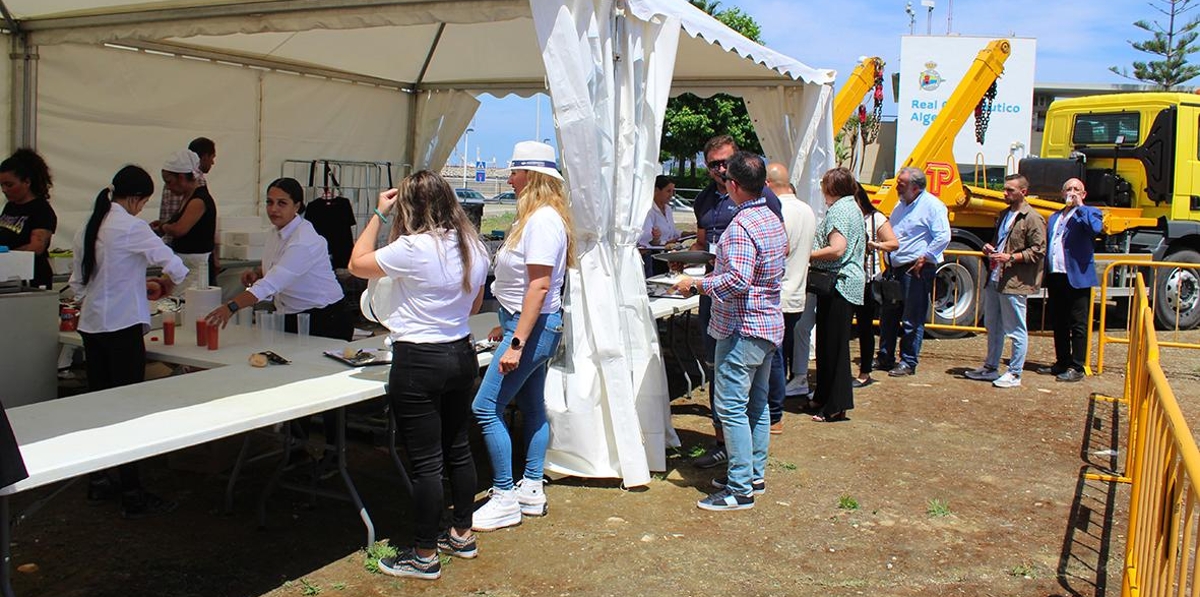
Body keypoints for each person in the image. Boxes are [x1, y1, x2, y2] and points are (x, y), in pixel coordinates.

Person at [346, 170, 489, 580]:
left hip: (419, 359)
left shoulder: (412, 248)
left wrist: (376, 213)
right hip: (460, 352)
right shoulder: (473, 245)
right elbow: (475, 303)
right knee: (457, 448)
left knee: (426, 463)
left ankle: (424, 554)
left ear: (409, 206)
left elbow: (357, 264)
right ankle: (462, 532)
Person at [69, 165, 188, 518]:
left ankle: (100, 479)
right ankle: (132, 491)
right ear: (137, 199)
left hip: (92, 326)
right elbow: (176, 266)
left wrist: (134, 285)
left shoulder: (88, 226)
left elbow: (78, 285)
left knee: (100, 407)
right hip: (122, 329)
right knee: (128, 410)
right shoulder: (130, 226)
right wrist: (164, 284)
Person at [671, 151, 787, 511]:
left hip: (742, 326)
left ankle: (740, 488)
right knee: (756, 405)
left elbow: (736, 280)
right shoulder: (770, 217)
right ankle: (752, 474)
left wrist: (696, 285)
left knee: (733, 408)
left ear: (733, 185)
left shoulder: (741, 226)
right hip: (766, 323)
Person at [471, 141, 574, 531]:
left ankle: (503, 496)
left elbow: (540, 287)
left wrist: (516, 341)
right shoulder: (537, 217)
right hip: (526, 324)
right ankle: (530, 487)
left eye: (514, 171)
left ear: (531, 176)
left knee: (485, 408)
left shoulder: (543, 221)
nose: (508, 178)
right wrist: (507, 322)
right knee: (532, 407)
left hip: (531, 328)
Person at [690, 135, 782, 469]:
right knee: (728, 381)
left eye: (725, 163)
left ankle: (741, 478)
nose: (719, 169)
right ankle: (740, 461)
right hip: (729, 304)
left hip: (742, 310)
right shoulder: (705, 201)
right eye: (713, 163)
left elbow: (745, 274)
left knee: (738, 400)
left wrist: (700, 282)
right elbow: (704, 242)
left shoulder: (752, 211)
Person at [203, 177, 351, 341]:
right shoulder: (275, 232)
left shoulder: (303, 241)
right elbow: (279, 266)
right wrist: (258, 272)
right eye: (269, 202)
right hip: (290, 314)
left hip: (325, 319)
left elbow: (270, 284)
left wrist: (231, 307)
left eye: (282, 203)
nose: (273, 209)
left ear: (297, 205)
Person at [964, 174, 1046, 388]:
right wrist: (989, 248)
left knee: (1015, 328)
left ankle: (1015, 372)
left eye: (1010, 190)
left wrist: (1011, 257)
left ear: (1023, 192)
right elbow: (1000, 242)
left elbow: (1039, 250)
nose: (1005, 194)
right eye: (1005, 189)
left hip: (1014, 281)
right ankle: (990, 367)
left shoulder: (1032, 218)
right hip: (996, 277)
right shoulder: (1003, 215)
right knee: (993, 325)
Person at [875, 167, 950, 377]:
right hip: (895, 269)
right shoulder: (901, 205)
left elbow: (943, 236)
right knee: (889, 314)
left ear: (915, 188)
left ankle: (908, 361)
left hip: (915, 270)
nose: (897, 186)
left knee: (912, 318)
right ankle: (885, 356)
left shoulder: (932, 206)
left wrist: (925, 257)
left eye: (902, 183)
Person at [808, 168, 866, 422]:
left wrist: (807, 255)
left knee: (834, 347)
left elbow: (837, 249)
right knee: (829, 344)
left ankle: (835, 405)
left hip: (839, 284)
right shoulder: (851, 206)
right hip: (844, 284)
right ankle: (824, 396)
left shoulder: (840, 210)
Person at [765, 163, 815, 434]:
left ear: (768, 184)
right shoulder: (807, 209)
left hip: (779, 292)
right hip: (797, 291)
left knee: (773, 356)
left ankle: (774, 412)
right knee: (780, 354)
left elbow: (777, 250)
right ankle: (775, 407)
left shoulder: (778, 210)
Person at [1039, 177, 1103, 382]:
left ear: (1083, 194)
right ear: (1062, 192)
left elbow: (1095, 229)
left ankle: (1078, 365)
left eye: (1077, 189)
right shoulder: (1055, 216)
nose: (1072, 192)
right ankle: (1062, 361)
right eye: (1068, 189)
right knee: (1059, 321)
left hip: (1077, 276)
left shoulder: (1090, 212)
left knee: (1079, 323)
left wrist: (1080, 207)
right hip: (1056, 274)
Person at [153, 150, 216, 294]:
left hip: (196, 267)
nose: (168, 187)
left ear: (181, 177)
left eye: (169, 182)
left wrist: (164, 226)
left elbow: (179, 229)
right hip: (184, 263)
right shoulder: (187, 198)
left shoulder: (199, 200)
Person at [854, 183, 898, 388]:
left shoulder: (875, 218)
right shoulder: (846, 216)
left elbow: (893, 243)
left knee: (864, 327)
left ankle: (865, 372)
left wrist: (875, 245)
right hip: (849, 280)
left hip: (867, 280)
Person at [0, 149, 56, 289]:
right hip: (8, 277)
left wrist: (8, 254)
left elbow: (36, 247)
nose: (4, 190)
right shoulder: (9, 207)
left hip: (32, 281)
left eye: (9, 185)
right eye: (2, 185)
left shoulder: (41, 210)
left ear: (26, 182)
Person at [639, 175, 681, 248]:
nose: (671, 195)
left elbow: (672, 231)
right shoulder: (648, 210)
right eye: (668, 191)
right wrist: (666, 243)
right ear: (656, 190)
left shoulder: (668, 209)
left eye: (673, 192)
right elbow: (646, 239)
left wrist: (688, 234)